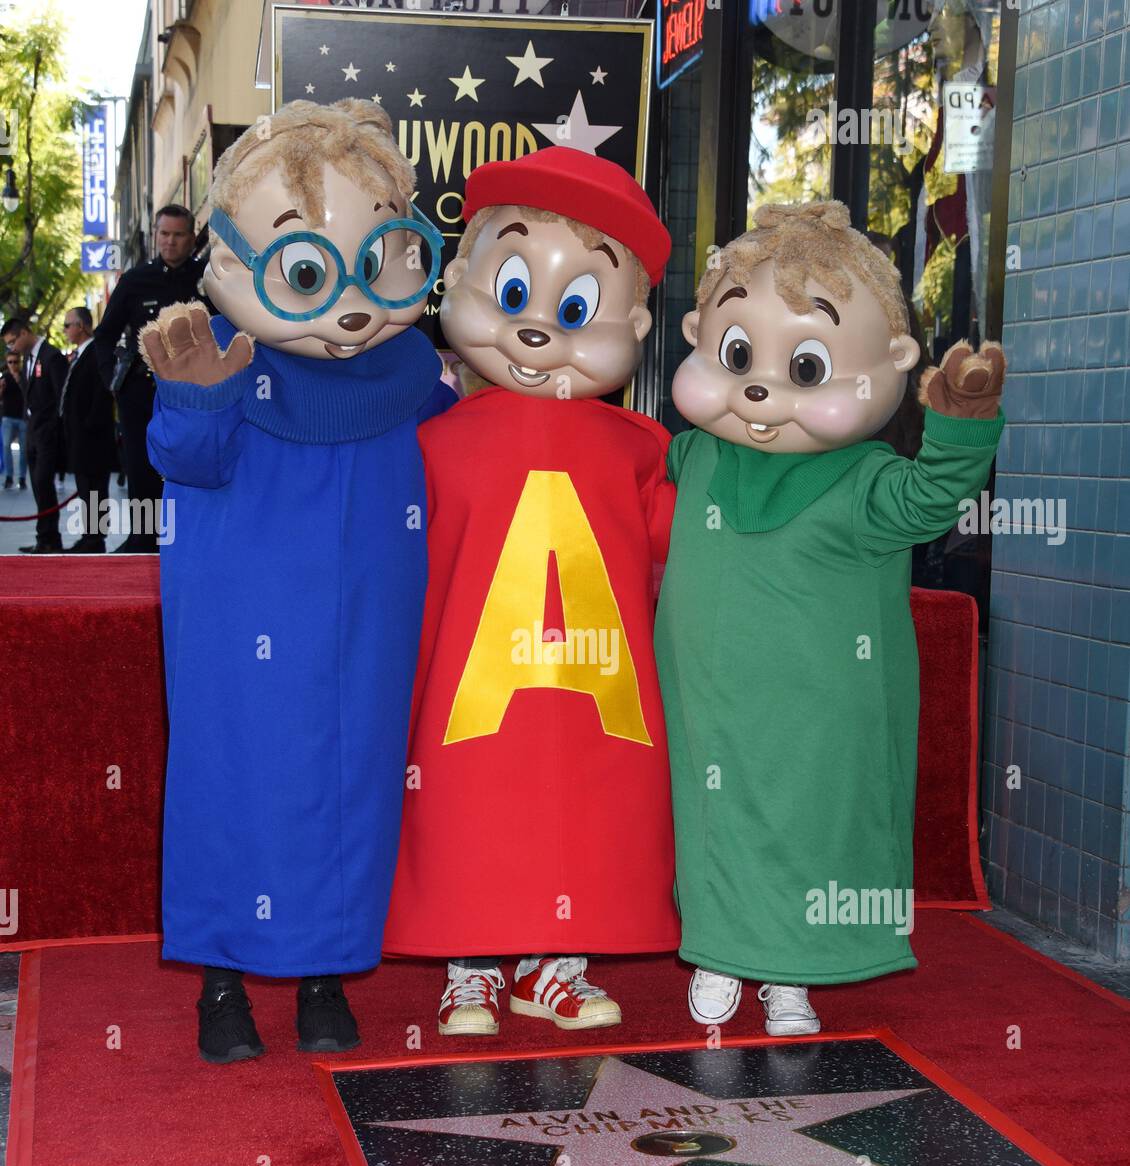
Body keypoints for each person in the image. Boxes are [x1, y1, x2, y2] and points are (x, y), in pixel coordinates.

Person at [139, 98, 451, 1064]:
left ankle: (325, 972)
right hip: (242, 625)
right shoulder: (228, 357)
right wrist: (193, 395)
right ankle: (222, 986)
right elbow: (182, 459)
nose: (349, 301)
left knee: (351, 782)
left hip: (367, 629)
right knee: (231, 776)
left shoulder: (416, 372)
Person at [654, 202, 1006, 1034]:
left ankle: (791, 977)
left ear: (890, 366)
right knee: (713, 818)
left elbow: (932, 501)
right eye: (737, 355)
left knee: (811, 828)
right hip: (711, 701)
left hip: (818, 711)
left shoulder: (866, 480)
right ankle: (719, 950)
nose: (761, 387)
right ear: (701, 334)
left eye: (805, 366)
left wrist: (959, 426)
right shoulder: (697, 453)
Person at [382, 148, 680, 1036]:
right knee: (469, 812)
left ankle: (555, 965)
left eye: (576, 305)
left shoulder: (639, 446)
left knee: (579, 822)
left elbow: (677, 547)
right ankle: (470, 964)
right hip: (468, 680)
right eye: (514, 292)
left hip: (594, 690)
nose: (540, 326)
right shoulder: (432, 438)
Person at [92, 204, 206, 553]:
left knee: (191, 463)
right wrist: (114, 377)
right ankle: (143, 538)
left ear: (191, 237)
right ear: (156, 235)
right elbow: (104, 335)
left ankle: (189, 537)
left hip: (193, 392)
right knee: (140, 465)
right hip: (141, 390)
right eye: (164, 234)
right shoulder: (134, 280)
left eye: (178, 235)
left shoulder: (209, 279)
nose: (170, 242)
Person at [1, 317, 67, 553]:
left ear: (24, 333)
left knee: (43, 483)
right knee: (38, 486)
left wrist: (55, 428)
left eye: (12, 342)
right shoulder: (27, 359)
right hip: (32, 432)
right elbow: (30, 396)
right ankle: (44, 537)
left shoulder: (51, 356)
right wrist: (17, 377)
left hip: (47, 432)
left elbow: (62, 397)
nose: (12, 348)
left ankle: (51, 538)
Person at [59, 306, 117, 553]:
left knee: (95, 489)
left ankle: (96, 537)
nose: (65, 330)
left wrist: (88, 426)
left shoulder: (95, 353)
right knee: (86, 489)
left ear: (81, 326)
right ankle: (90, 534)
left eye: (67, 325)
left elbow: (101, 394)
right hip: (80, 437)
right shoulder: (80, 355)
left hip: (92, 437)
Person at [1, 349, 27, 489]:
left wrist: (20, 382)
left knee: (24, 450)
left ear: (20, 362)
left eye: (15, 362)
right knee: (6, 447)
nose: (12, 365)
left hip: (22, 417)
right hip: (8, 417)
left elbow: (29, 395)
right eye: (10, 362)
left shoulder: (24, 377)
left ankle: (22, 478)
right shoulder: (4, 377)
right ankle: (9, 477)